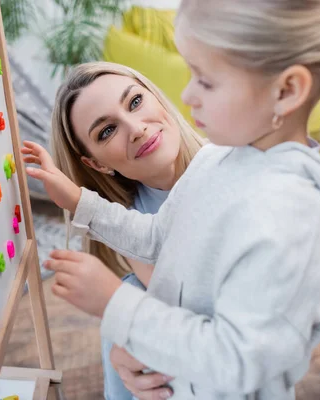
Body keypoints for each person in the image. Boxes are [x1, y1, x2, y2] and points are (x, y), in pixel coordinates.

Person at [24, 0, 320, 398]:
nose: (186, 95)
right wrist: (79, 201)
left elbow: (236, 362)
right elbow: (158, 236)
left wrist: (116, 303)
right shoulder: (218, 160)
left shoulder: (290, 215)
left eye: (206, 81)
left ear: (285, 91)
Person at [27, 61, 203, 399]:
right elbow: (174, 302)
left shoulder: (232, 167)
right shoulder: (127, 220)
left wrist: (114, 304)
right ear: (97, 164)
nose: (135, 128)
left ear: (156, 96)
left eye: (135, 102)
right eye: (106, 131)